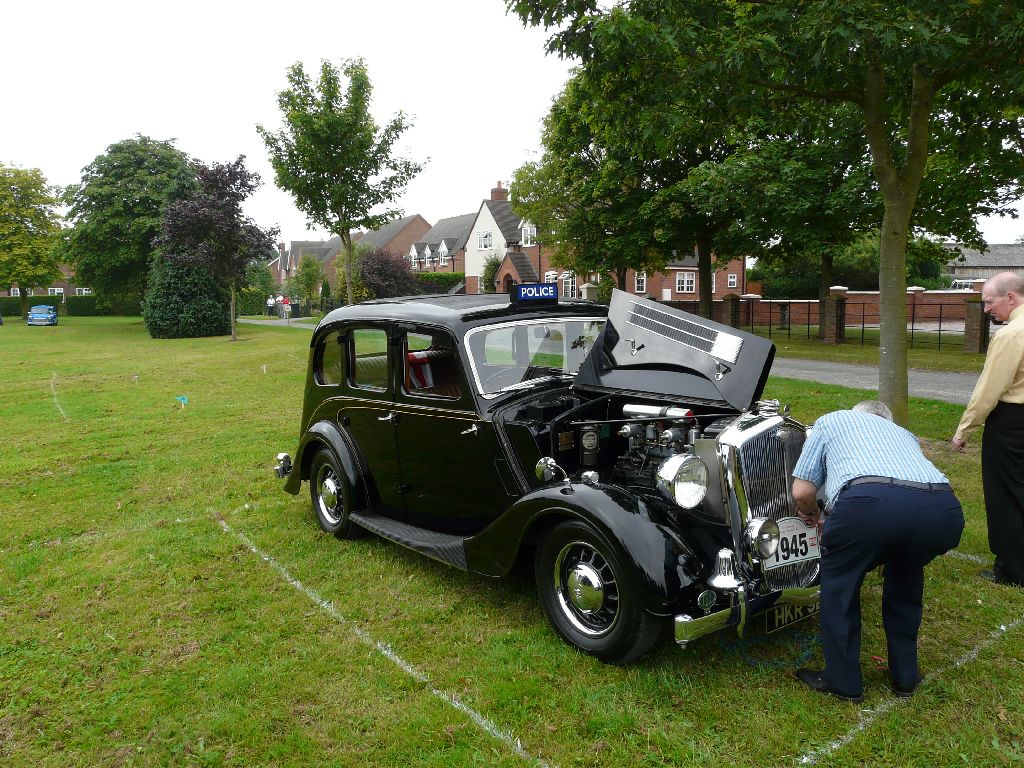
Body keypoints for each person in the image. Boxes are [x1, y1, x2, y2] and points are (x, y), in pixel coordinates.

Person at [791, 400, 964, 702]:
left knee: (840, 587)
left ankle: (843, 681)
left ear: (856, 413)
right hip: (942, 508)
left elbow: (803, 491)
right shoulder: (903, 434)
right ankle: (906, 676)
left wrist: (813, 515)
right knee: (906, 573)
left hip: (871, 503)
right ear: (886, 420)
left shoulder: (833, 419)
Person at [951, 271, 1024, 587]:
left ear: (1010, 297)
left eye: (989, 302)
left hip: (1012, 424)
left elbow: (988, 391)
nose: (986, 310)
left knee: (1005, 494)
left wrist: (964, 430)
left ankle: (1011, 570)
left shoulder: (1010, 335)